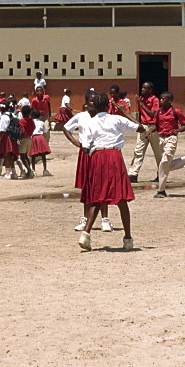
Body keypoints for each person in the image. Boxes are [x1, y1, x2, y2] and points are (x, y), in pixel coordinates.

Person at [71, 92, 145, 252]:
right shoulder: (116, 118)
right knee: (121, 198)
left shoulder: (90, 122)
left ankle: (86, 234)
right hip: (114, 157)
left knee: (96, 198)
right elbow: (140, 128)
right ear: (108, 106)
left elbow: (85, 145)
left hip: (97, 157)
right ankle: (127, 238)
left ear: (94, 107)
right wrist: (125, 113)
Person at [63, 91, 111, 233]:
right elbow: (66, 128)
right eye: (90, 100)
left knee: (102, 185)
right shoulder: (81, 117)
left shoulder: (103, 117)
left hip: (100, 152)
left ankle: (105, 220)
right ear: (85, 102)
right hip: (85, 153)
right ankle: (84, 219)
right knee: (87, 187)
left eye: (95, 101)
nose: (93, 103)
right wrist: (76, 142)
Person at [152, 92, 185, 198]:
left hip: (171, 138)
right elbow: (157, 126)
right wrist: (150, 132)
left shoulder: (176, 112)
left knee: (164, 162)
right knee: (167, 165)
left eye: (163, 99)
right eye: (160, 98)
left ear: (169, 101)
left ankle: (161, 191)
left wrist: (177, 130)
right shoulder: (158, 112)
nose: (161, 100)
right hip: (161, 139)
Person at [128, 82, 161, 183]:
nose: (142, 90)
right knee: (139, 150)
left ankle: (161, 173)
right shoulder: (141, 99)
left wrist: (141, 104)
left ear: (150, 90)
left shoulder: (155, 100)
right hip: (143, 127)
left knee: (158, 152)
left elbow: (152, 114)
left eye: (145, 88)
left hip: (153, 128)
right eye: (142, 87)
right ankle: (133, 173)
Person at [0, 102, 23, 179]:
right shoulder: (13, 115)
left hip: (6, 137)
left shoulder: (4, 117)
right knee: (11, 155)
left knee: (6, 155)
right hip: (13, 137)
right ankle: (14, 173)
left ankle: (7, 173)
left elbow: (2, 130)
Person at [29, 109, 52, 176]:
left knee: (33, 155)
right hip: (41, 137)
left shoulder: (31, 122)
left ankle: (33, 170)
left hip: (34, 137)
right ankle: (45, 169)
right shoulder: (41, 122)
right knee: (43, 155)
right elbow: (45, 131)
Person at [18, 106, 36, 178]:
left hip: (23, 139)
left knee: (22, 156)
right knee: (26, 156)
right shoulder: (31, 120)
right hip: (29, 138)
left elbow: (21, 130)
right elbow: (33, 127)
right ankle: (29, 169)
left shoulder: (21, 121)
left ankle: (29, 170)